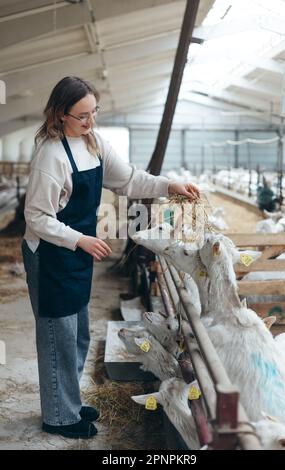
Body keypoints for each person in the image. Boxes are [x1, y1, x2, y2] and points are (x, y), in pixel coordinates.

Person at [21, 76, 200, 439]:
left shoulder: (95, 143)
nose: (91, 122)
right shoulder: (50, 156)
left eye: (94, 113)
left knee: (78, 334)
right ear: (59, 115)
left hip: (76, 251)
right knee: (58, 335)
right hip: (52, 254)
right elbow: (36, 217)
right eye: (82, 116)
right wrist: (80, 240)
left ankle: (66, 402)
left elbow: (129, 180)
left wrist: (168, 185)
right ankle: (58, 417)